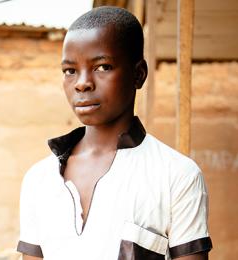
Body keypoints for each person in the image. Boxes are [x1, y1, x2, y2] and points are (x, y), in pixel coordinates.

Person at [17, 6, 212, 260]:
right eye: (70, 70)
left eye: (102, 67)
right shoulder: (39, 179)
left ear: (138, 74)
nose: (82, 82)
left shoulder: (177, 176)